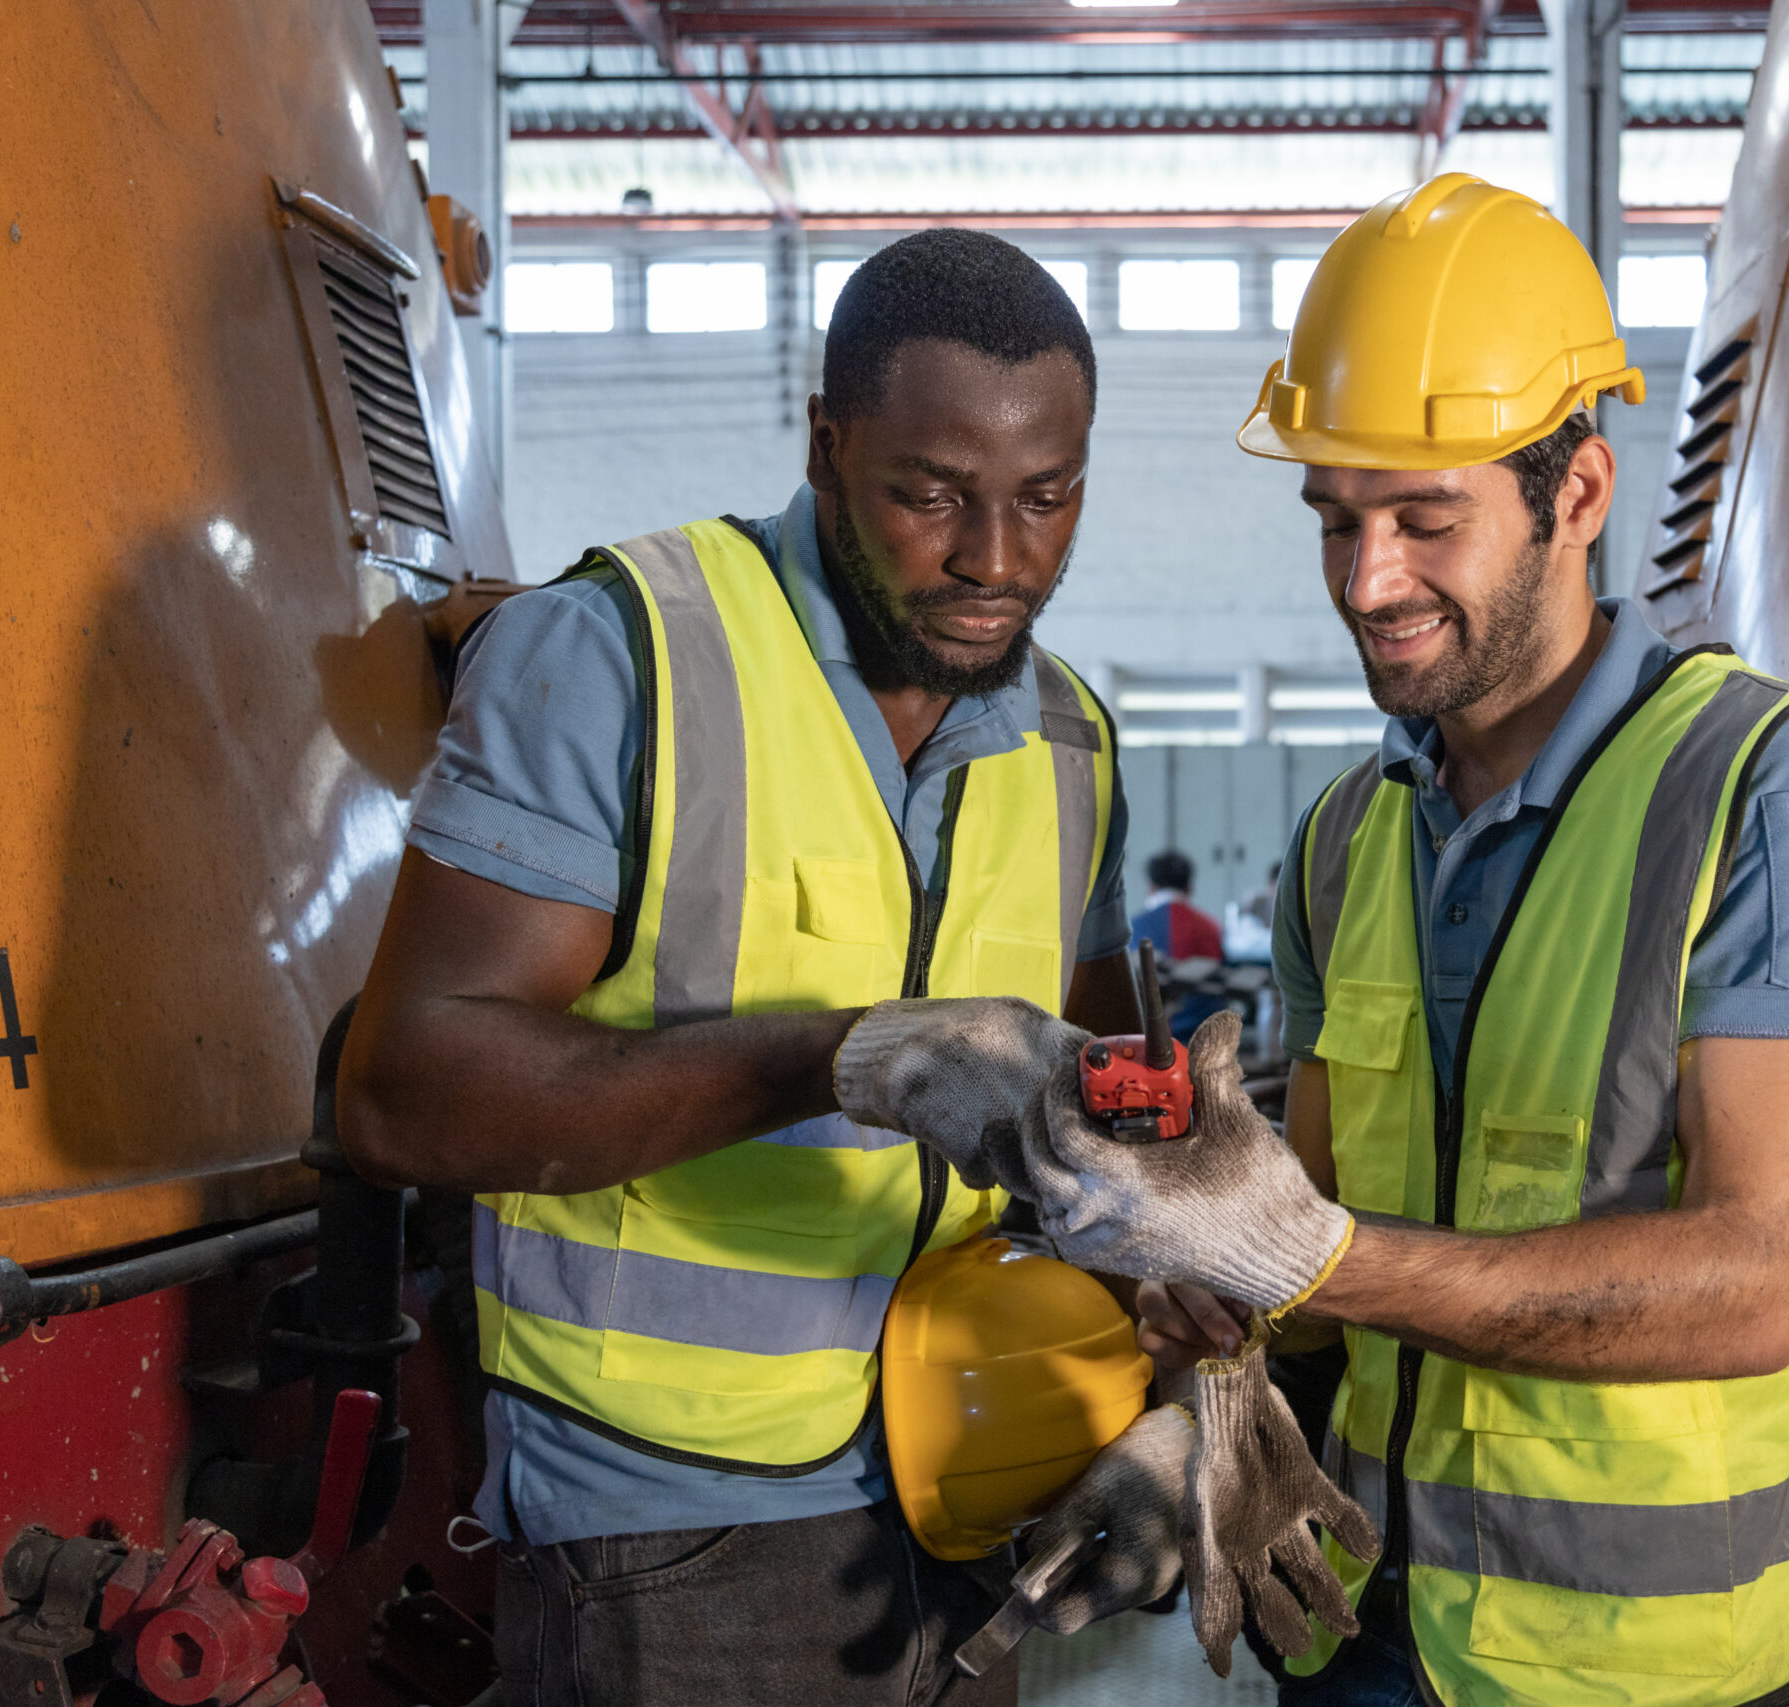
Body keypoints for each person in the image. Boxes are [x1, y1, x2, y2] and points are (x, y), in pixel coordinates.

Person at [993, 176, 1789, 1707]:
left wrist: (1316, 1256)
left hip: (1670, 1666)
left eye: (1426, 522)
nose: (1367, 584)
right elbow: (1313, 1239)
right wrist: (1208, 1372)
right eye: (1336, 520)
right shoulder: (1348, 837)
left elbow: (1759, 1280)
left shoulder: (1779, 795)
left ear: (1579, 493)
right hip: (1360, 1618)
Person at [333, 230, 1189, 1706]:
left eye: (1046, 499)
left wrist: (1186, 1404)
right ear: (826, 443)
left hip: (1008, 1483)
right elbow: (406, 1096)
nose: (996, 557)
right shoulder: (615, 656)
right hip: (685, 1526)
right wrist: (833, 1056)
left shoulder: (1067, 742)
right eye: (929, 495)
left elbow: (1137, 1137)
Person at [1130, 848, 1227, 1040]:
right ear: (1189, 888)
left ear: (1151, 887)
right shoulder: (1209, 927)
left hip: (1147, 1038)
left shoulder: (1133, 927)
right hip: (1201, 1035)